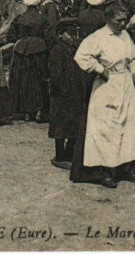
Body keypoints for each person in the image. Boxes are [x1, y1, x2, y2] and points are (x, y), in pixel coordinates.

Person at [71, 3, 135, 189]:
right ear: (108, 19)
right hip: (107, 85)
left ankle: (125, 167)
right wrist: (100, 69)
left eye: (124, 20)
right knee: (106, 128)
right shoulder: (98, 37)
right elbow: (81, 56)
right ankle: (104, 172)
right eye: (119, 20)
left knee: (129, 125)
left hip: (125, 84)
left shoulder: (125, 35)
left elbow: (132, 57)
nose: (122, 23)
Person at [48, 17, 88, 170]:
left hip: (75, 93)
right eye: (69, 34)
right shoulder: (58, 50)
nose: (73, 37)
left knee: (73, 124)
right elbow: (56, 74)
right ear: (61, 34)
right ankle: (59, 155)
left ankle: (69, 152)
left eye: (75, 33)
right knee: (60, 127)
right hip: (62, 94)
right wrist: (64, 90)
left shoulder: (74, 49)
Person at [7, 0, 48, 121]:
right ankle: (37, 110)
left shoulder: (20, 17)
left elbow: (10, 36)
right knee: (38, 80)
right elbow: (48, 35)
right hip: (38, 50)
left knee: (22, 80)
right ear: (38, 3)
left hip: (21, 51)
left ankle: (24, 110)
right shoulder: (42, 18)